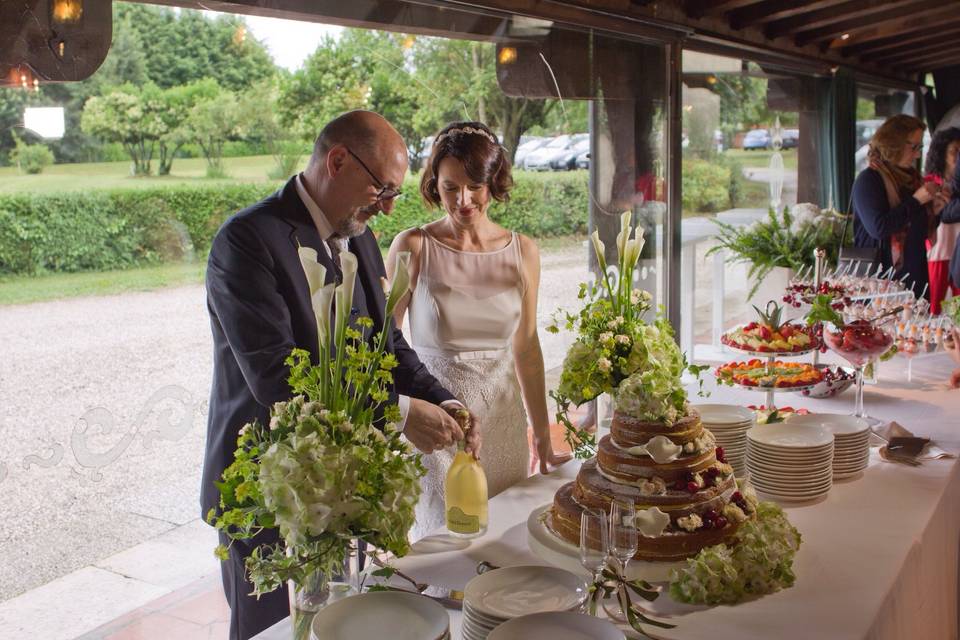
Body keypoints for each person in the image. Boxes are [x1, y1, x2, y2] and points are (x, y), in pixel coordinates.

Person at [202, 110, 478, 640]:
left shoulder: (361, 235)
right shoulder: (245, 240)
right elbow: (275, 375)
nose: (389, 206)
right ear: (337, 161)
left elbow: (388, 346)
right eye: (383, 190)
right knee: (268, 630)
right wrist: (398, 414)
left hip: (340, 486)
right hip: (260, 483)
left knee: (340, 619)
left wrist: (442, 400)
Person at [387, 121, 568, 540]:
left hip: (504, 425)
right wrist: (398, 420)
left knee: (505, 545)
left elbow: (527, 347)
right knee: (444, 546)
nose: (463, 200)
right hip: (439, 428)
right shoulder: (413, 246)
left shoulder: (524, 251)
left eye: (474, 186)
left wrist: (541, 435)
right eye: (450, 187)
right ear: (435, 184)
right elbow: (383, 347)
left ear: (493, 182)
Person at [852, 114, 939, 299]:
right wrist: (917, 200)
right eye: (913, 146)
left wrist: (936, 209)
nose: (917, 154)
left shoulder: (911, 180)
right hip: (880, 282)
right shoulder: (869, 180)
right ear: (893, 144)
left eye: (920, 147)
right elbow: (879, 228)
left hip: (914, 280)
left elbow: (918, 231)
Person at [923, 127, 960, 314]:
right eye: (955, 151)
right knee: (933, 307)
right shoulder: (931, 183)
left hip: (957, 251)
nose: (959, 156)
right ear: (942, 153)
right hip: (938, 252)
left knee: (957, 309)